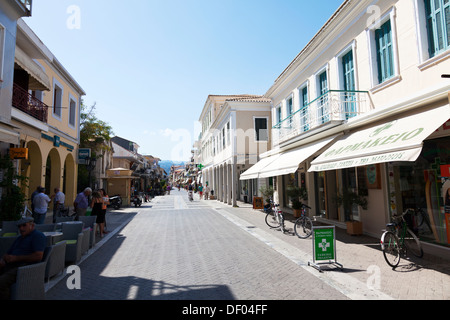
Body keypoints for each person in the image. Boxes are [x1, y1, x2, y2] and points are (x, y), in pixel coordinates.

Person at [0, 217, 46, 300]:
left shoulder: (38, 236)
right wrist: (3, 259)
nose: (21, 228)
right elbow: (7, 253)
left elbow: (38, 256)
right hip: (11, 265)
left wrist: (16, 258)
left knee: (2, 282)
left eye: (24, 225)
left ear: (32, 226)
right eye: (19, 226)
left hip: (24, 268)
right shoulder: (19, 238)